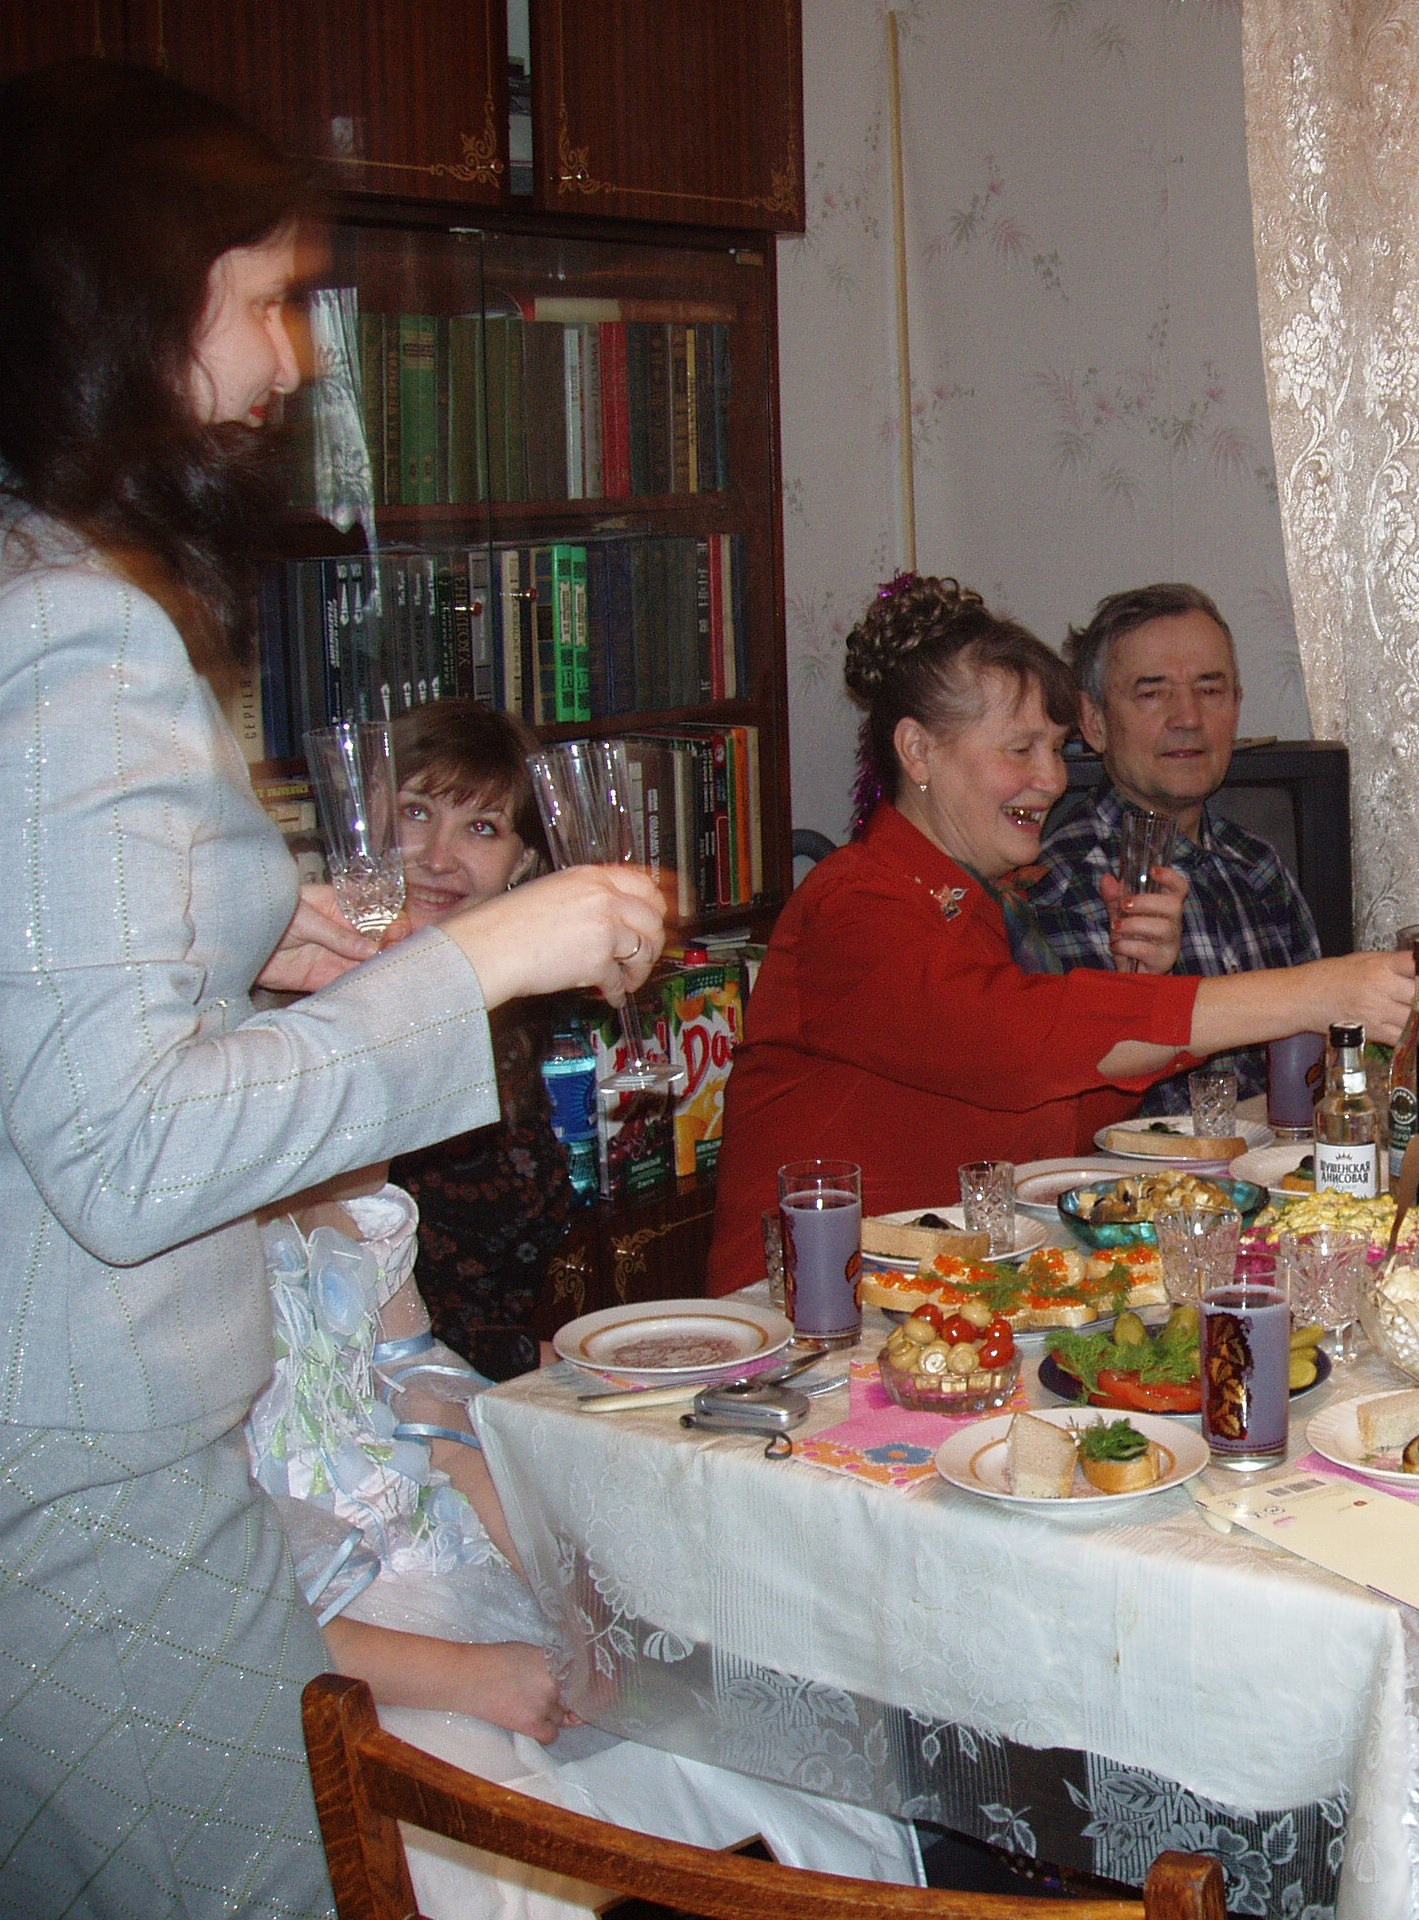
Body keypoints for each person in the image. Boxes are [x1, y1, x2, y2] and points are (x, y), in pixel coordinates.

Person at [0, 61, 663, 1919]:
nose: (295, 362)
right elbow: (130, 1154)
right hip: (85, 1462)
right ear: (134, 300)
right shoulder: (72, 628)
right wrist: (480, 956)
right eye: (269, 297)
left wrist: (239, 934)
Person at [706, 575, 1414, 1288]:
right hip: (806, 1306)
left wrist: (1136, 983)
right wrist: (1312, 993)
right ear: (918, 752)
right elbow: (1012, 1043)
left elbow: (1060, 1127)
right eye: (1021, 749)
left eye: (1055, 747)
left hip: (945, 1286)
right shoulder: (853, 902)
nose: (1051, 779)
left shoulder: (981, 902)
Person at [251, 1188, 919, 1916]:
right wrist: (469, 1675)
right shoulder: (190, 1281)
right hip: (338, 1654)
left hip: (452, 1562)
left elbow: (442, 1437)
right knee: (509, 1842)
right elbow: (231, 1609)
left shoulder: (358, 1206)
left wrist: (570, 1601)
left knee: (755, 1732)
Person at [1012, 583, 1322, 1114]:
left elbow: (1318, 1065)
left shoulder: (1258, 867)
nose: (1188, 718)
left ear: (1237, 706)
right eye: (1153, 693)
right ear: (1094, 723)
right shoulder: (1058, 886)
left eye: (1210, 689)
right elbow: (1090, 1114)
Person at [385, 699, 575, 1380]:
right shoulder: (322, 1018)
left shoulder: (510, 1019)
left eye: (482, 827)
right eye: (416, 812)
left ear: (523, 861)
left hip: (480, 1382)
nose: (437, 858)